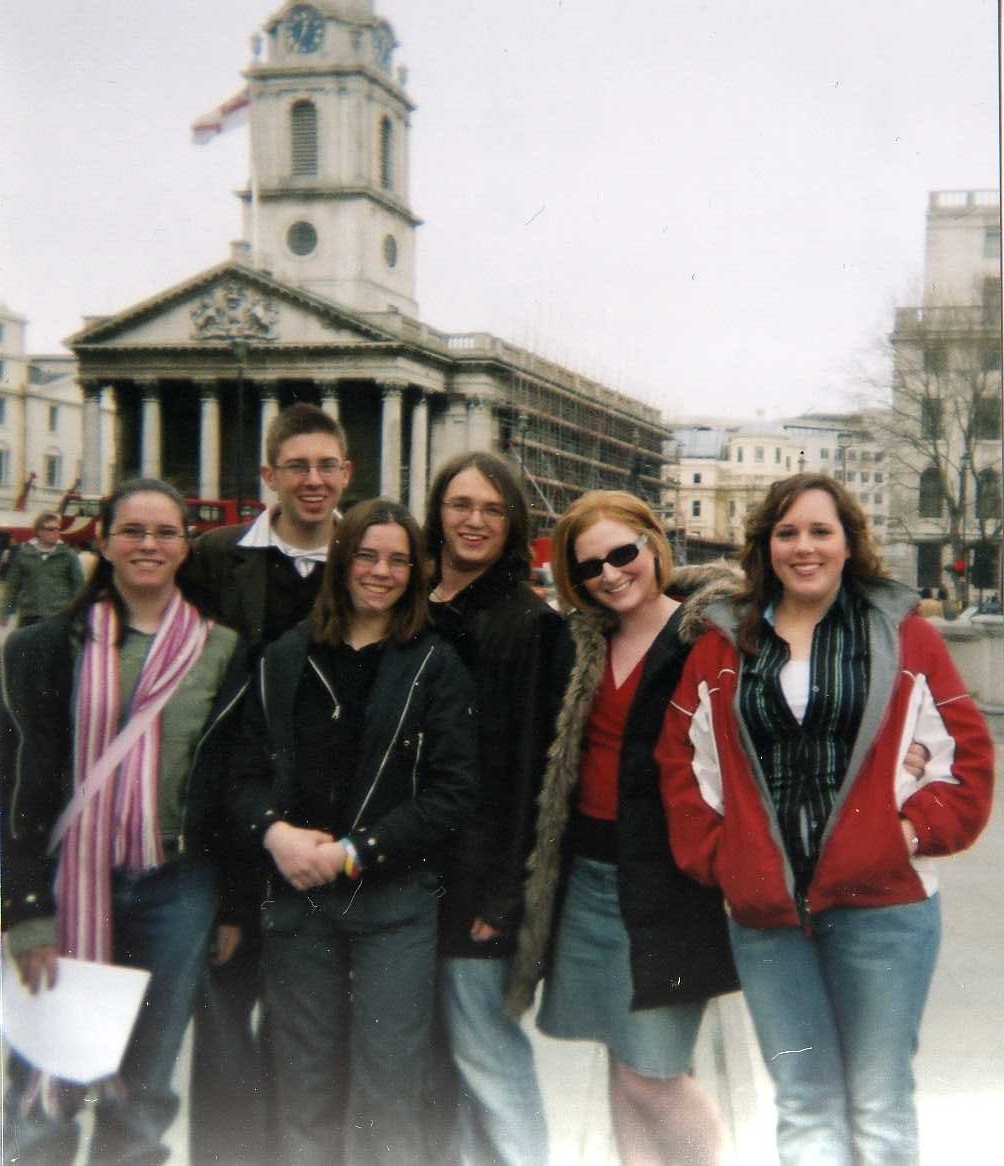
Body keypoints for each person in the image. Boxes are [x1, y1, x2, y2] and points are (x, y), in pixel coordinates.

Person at [658, 473, 995, 1166]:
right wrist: (725, 860)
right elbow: (683, 767)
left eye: (820, 531)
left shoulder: (903, 638)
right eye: (787, 533)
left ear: (848, 544)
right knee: (805, 1105)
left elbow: (966, 761)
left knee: (879, 1106)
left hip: (885, 913)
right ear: (765, 546)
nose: (803, 547)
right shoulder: (724, 645)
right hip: (768, 920)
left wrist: (903, 834)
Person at [225, 498, 478, 1165]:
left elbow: (452, 792)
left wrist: (354, 852)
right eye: (367, 554)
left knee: (389, 1084)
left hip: (392, 902)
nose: (380, 571)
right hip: (298, 898)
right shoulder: (286, 655)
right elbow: (243, 771)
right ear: (342, 561)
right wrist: (274, 834)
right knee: (303, 1082)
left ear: (417, 570)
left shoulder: (434, 663)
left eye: (398, 559)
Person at [0, 479, 245, 1166]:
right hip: (65, 882)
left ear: (184, 547)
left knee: (144, 1089)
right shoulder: (41, 648)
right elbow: (12, 785)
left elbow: (229, 783)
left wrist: (229, 904)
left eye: (166, 533)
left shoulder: (222, 649)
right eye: (132, 531)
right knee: (44, 1078)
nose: (148, 545)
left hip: (178, 887)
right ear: (102, 543)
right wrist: (23, 908)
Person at [504, 490, 740, 1166]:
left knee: (654, 1072)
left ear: (652, 545)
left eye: (621, 554)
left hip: (669, 886)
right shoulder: (585, 641)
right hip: (588, 880)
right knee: (620, 1058)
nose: (609, 574)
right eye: (588, 568)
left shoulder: (709, 637)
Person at [180, 401, 352, 1164]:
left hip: (328, 834)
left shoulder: (371, 555)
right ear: (269, 476)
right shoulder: (216, 559)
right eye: (297, 467)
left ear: (347, 472)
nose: (313, 482)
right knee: (223, 1036)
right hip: (233, 830)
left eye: (327, 467)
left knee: (312, 1039)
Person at [423, 451, 560, 1166]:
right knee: (435, 1066)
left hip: (478, 879)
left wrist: (504, 892)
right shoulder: (411, 605)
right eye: (460, 505)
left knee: (485, 1052)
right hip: (411, 872)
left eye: (491, 509)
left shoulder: (529, 624)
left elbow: (532, 770)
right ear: (437, 512)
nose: (473, 521)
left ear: (512, 524)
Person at [1, 512, 83, 627]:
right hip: (29, 616)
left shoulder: (68, 555)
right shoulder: (23, 555)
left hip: (58, 615)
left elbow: (79, 586)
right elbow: (13, 587)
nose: (56, 532)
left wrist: (79, 614)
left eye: (57, 529)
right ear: (39, 532)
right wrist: (5, 612)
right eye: (51, 529)